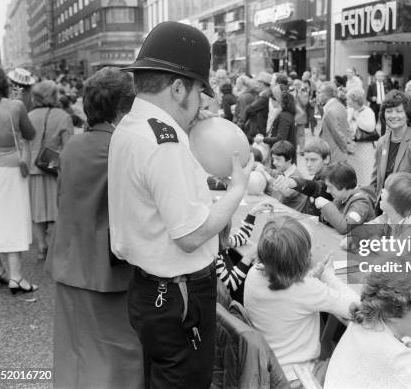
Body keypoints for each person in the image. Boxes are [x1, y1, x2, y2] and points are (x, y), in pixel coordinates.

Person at [109, 21, 253, 388]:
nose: (200, 105)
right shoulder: (164, 142)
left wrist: (185, 125)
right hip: (179, 295)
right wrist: (237, 191)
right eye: (197, 94)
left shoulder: (133, 125)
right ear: (177, 87)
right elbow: (189, 234)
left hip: (151, 292)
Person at [44, 67, 143, 388]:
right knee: (118, 356)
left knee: (74, 352)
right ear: (123, 107)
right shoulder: (122, 147)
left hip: (70, 259)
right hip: (106, 269)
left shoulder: (74, 145)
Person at [244, 216, 359, 384]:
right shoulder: (308, 289)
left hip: (262, 369)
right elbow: (355, 305)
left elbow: (288, 291)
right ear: (304, 257)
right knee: (356, 362)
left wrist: (312, 276)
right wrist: (328, 275)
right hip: (298, 378)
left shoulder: (253, 273)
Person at [323, 265, 411, 389]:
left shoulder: (365, 317)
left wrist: (405, 342)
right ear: (391, 312)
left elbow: (344, 290)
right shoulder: (395, 358)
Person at [0, 64, 37, 294]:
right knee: (13, 219)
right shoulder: (15, 106)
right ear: (4, 84)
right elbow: (30, 134)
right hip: (11, 169)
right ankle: (16, 277)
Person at [28, 80, 74, 260]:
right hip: (56, 170)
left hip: (34, 169)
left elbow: (24, 143)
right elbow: (69, 146)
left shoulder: (29, 116)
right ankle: (56, 246)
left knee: (38, 210)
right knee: (58, 210)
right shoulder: (63, 116)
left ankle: (41, 246)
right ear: (54, 96)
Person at [371, 91, 411, 217]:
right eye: (389, 111)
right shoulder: (382, 141)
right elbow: (375, 182)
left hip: (407, 213)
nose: (393, 115)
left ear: (407, 115)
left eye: (399, 111)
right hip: (383, 211)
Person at [216, 201, 272, 304]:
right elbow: (230, 284)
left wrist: (252, 213)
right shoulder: (214, 257)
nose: (229, 238)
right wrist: (248, 257)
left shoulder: (219, 241)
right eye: (226, 234)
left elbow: (241, 238)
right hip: (231, 298)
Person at [275, 139, 333, 216]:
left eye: (313, 160)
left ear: (326, 159)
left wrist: (294, 182)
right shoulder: (318, 174)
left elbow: (316, 187)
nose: (308, 164)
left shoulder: (330, 179)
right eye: (306, 160)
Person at [315, 162, 376, 234]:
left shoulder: (361, 202)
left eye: (330, 187)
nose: (327, 191)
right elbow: (325, 217)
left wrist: (327, 205)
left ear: (344, 185)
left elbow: (345, 228)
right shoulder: (340, 198)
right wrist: (329, 217)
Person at [258, 140, 306, 212]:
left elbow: (286, 192)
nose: (274, 162)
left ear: (289, 159)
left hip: (291, 218)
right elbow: (269, 171)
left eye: (278, 159)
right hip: (280, 214)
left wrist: (265, 175)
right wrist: (258, 165)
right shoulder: (281, 172)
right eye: (273, 159)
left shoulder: (298, 178)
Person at [346, 87, 377, 187]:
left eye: (349, 99)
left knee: (365, 173)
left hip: (364, 148)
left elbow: (370, 127)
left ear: (356, 100)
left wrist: (357, 118)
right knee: (353, 173)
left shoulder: (368, 111)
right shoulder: (349, 110)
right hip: (353, 147)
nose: (347, 101)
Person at [318, 81, 350, 164]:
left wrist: (345, 148)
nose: (318, 95)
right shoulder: (340, 106)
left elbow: (338, 134)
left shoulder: (330, 111)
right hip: (339, 153)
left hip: (334, 155)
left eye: (320, 92)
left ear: (326, 94)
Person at [244, 71, 272, 143]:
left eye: (259, 82)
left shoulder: (265, 96)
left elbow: (249, 109)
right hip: (261, 126)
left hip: (260, 128)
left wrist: (249, 108)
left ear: (262, 84)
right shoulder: (265, 94)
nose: (257, 84)